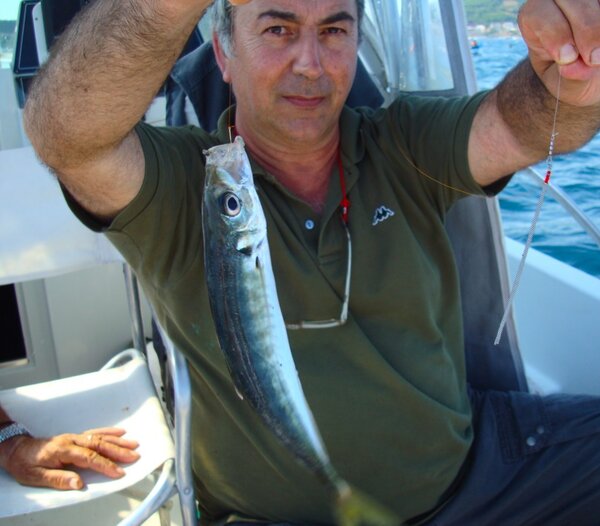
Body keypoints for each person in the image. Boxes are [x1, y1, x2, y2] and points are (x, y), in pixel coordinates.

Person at [1, 0, 600, 523]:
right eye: (278, 30)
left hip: (475, 476)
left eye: (334, 31)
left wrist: (571, 75)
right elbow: (66, 136)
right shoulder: (185, 186)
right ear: (224, 54)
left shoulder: (403, 141)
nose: (310, 64)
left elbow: (522, 124)